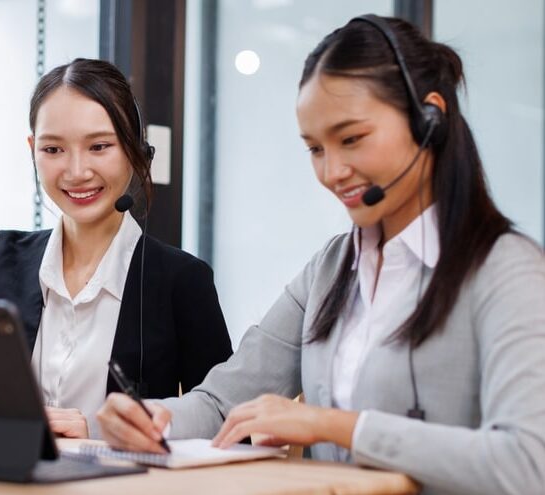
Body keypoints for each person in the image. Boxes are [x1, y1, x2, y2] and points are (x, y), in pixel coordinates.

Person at [96, 15, 545, 495]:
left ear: (429, 119)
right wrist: (155, 418)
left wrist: (337, 425)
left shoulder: (506, 270)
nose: (333, 172)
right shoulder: (332, 269)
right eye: (315, 148)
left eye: (351, 139)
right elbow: (222, 403)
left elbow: (527, 464)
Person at [0, 58, 233, 439]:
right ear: (33, 149)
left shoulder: (182, 281)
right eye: (53, 150)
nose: (76, 171)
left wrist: (100, 437)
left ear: (135, 149)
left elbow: (225, 430)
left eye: (99, 146)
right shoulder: (3, 258)